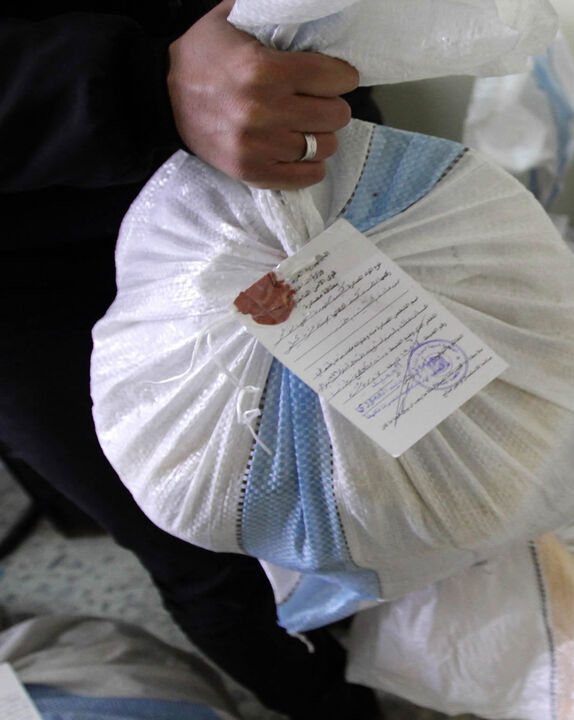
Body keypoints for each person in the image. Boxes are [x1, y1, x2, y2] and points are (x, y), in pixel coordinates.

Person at [0, 2, 380, 717]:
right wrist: (142, 83)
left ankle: (426, 658)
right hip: (28, 263)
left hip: (265, 151)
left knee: (371, 460)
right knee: (204, 544)